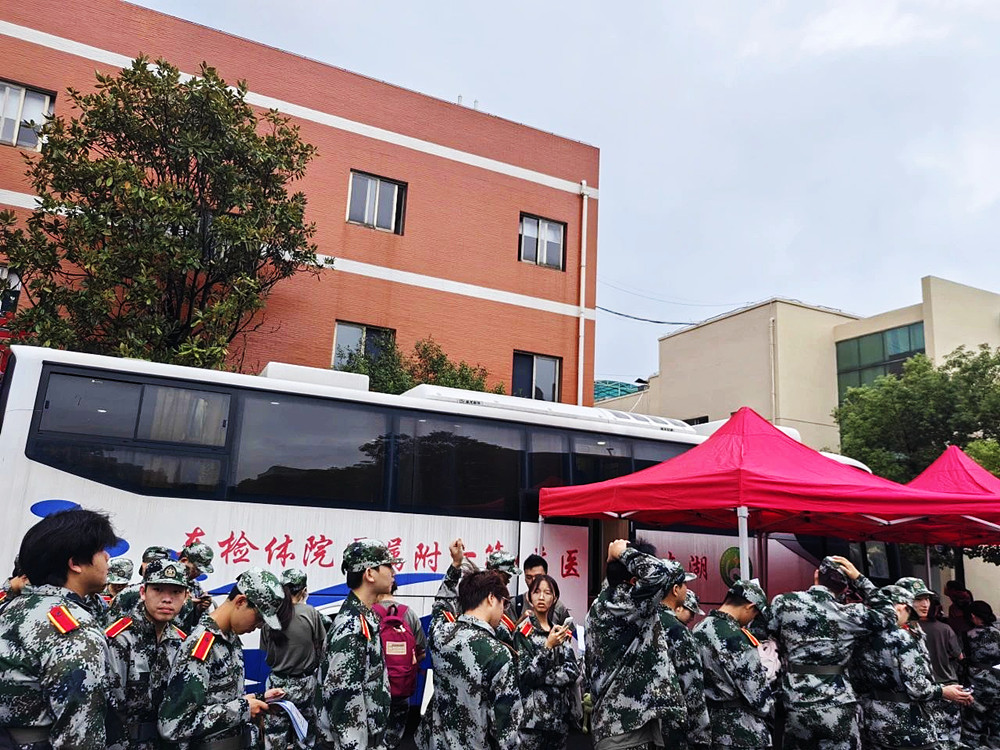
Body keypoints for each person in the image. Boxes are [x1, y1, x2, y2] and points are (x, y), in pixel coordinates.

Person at [0, 508, 118, 749]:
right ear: (75, 563)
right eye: (100, 550)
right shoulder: (75, 633)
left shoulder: (11, 607)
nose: (107, 557)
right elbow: (79, 738)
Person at [767, 555, 896, 750]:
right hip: (838, 706)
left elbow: (764, 630)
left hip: (796, 704)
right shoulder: (852, 614)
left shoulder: (784, 603)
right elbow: (888, 613)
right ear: (845, 588)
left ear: (816, 575)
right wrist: (860, 579)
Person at [158, 567, 287, 749]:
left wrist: (258, 698)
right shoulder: (201, 647)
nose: (259, 626)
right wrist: (243, 709)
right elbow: (174, 726)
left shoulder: (230, 639)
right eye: (259, 618)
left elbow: (219, 698)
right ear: (241, 601)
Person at [585, 539, 685, 749]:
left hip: (611, 728)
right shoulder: (632, 603)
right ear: (634, 581)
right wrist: (622, 553)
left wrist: (614, 560)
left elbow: (615, 583)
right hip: (628, 731)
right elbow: (663, 574)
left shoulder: (600, 604)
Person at [851, 584, 972, 750]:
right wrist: (944, 691)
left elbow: (857, 682)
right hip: (907, 723)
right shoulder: (901, 637)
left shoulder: (860, 636)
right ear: (900, 608)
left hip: (873, 722)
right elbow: (918, 688)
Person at [416, 569, 522, 750]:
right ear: (491, 598)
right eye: (504, 603)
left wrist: (454, 569)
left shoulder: (440, 635)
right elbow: (506, 728)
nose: (503, 611)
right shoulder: (498, 653)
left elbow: (440, 606)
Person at [316, 539, 399, 749]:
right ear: (370, 574)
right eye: (388, 565)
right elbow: (344, 701)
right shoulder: (352, 627)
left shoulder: (363, 618)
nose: (393, 572)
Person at [105, 559, 190, 750]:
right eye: (158, 590)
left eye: (176, 592)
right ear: (143, 592)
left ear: (186, 597)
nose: (167, 599)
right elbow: (110, 708)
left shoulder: (181, 641)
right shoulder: (120, 638)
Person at [693, 578, 774, 750]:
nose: (752, 619)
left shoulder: (699, 628)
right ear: (750, 606)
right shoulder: (737, 638)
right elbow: (759, 699)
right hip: (741, 732)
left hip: (710, 726)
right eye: (755, 614)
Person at [261, 567, 326, 750]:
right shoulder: (310, 613)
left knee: (275, 739)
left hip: (276, 687)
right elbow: (321, 648)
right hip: (305, 685)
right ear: (304, 590)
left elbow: (267, 654)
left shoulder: (270, 616)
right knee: (305, 738)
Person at [897, 577, 965, 750]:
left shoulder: (916, 630)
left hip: (930, 697)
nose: (925, 604)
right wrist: (943, 691)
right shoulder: (896, 634)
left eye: (927, 599)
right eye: (918, 599)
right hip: (905, 708)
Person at [514, 573, 580, 749]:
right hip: (532, 723)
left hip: (559, 721)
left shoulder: (559, 632)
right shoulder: (523, 633)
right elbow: (527, 676)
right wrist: (548, 647)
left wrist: (545, 678)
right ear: (529, 597)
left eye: (547, 592)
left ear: (555, 598)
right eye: (537, 592)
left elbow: (573, 671)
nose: (541, 597)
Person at [658, 560, 709, 750]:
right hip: (673, 731)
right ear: (675, 589)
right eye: (684, 584)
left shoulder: (641, 621)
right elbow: (692, 687)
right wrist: (701, 737)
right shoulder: (677, 631)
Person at [374, 581, 427, 749]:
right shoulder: (409, 614)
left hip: (375, 690)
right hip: (401, 687)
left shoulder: (369, 613)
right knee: (393, 738)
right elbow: (421, 652)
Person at [436, 540, 520, 646]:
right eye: (506, 576)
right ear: (495, 573)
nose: (508, 581)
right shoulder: (472, 593)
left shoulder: (441, 633)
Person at [962, 600, 1000, 749]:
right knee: (997, 727)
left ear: (972, 616)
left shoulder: (967, 636)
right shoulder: (998, 634)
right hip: (998, 685)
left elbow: (961, 659)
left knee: (972, 726)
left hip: (976, 686)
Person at [108, 546, 172, 620]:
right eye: (150, 562)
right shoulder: (127, 594)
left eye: (159, 563)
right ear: (142, 565)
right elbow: (111, 623)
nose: (153, 566)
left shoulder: (179, 596)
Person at [516, 554, 570, 625]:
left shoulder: (558, 607)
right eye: (529, 577)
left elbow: (570, 630)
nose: (534, 581)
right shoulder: (515, 604)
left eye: (538, 577)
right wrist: (521, 621)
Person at [176, 541, 216, 632]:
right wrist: (185, 603)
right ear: (184, 561)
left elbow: (199, 626)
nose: (198, 574)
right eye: (196, 569)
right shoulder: (164, 581)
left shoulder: (195, 586)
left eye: (201, 571)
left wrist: (199, 609)